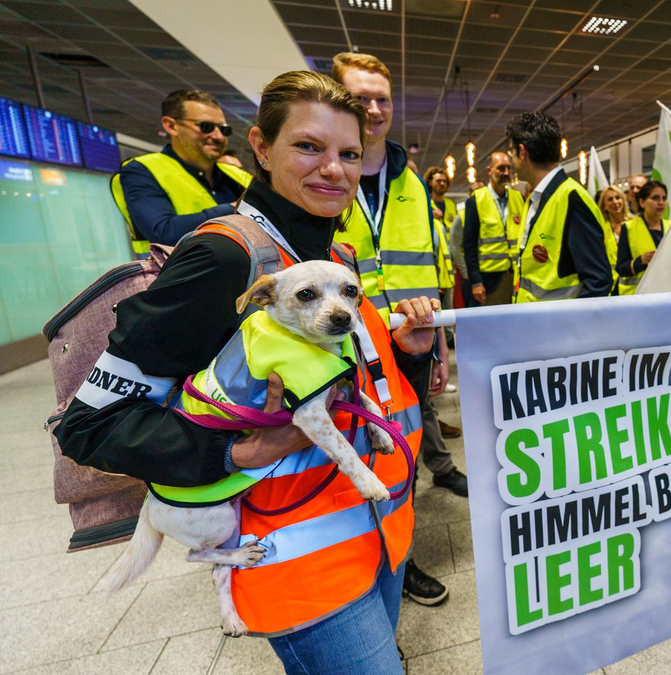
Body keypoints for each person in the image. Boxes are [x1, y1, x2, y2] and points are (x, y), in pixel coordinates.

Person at [58, 70, 431, 674]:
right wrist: (236, 454)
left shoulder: (331, 258)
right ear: (260, 146)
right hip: (295, 560)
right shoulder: (223, 257)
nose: (333, 169)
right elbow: (90, 427)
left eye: (349, 153)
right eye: (308, 147)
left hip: (376, 529)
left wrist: (406, 349)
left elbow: (336, 376)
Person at [330, 52, 458, 607]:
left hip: (407, 347)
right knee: (353, 455)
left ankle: (399, 557)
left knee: (399, 449)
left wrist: (441, 350)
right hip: (342, 346)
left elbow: (429, 266)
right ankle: (375, 565)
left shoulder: (411, 183)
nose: (375, 108)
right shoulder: (326, 175)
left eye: (383, 98)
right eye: (361, 97)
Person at [112, 89, 252, 256]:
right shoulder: (141, 170)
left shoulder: (238, 175)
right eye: (206, 126)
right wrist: (236, 209)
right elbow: (164, 233)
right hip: (182, 276)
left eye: (224, 130)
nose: (218, 136)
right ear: (171, 126)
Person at [507, 111, 616, 301]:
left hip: (556, 327)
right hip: (532, 321)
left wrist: (570, 327)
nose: (512, 161)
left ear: (523, 152)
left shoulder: (571, 199)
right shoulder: (537, 198)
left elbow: (599, 281)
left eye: (512, 152)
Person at [463, 151, 527, 306]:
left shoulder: (519, 198)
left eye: (508, 168)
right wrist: (476, 282)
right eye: (501, 168)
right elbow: (469, 246)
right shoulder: (476, 201)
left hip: (518, 275)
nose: (506, 172)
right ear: (489, 170)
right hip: (490, 279)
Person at [616, 180, 669, 295]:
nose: (661, 202)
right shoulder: (629, 228)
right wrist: (641, 261)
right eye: (655, 198)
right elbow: (621, 268)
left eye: (664, 198)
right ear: (642, 202)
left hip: (668, 294)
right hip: (640, 297)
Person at [425, 167, 458, 326]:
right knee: (434, 304)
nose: (442, 184)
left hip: (449, 262)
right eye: (439, 181)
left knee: (447, 305)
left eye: (445, 181)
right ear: (430, 182)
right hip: (433, 261)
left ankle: (449, 338)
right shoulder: (425, 203)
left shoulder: (451, 205)